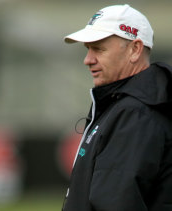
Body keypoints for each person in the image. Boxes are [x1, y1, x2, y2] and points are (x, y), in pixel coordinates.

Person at [62, 4, 172, 211]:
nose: (88, 59)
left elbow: (116, 203)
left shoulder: (135, 114)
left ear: (135, 49)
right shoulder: (129, 107)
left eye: (99, 48)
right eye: (88, 49)